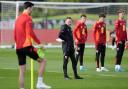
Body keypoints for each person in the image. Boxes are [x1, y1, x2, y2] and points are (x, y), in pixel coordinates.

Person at [14, 2, 51, 89]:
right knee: (43, 61)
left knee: (22, 71)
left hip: (18, 48)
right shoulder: (28, 18)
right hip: (26, 47)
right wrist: (39, 43)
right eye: (32, 9)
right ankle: (39, 83)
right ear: (29, 8)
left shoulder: (18, 18)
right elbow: (31, 32)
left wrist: (18, 45)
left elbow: (15, 34)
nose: (32, 11)